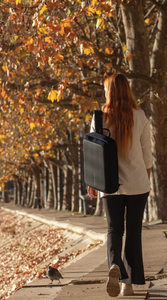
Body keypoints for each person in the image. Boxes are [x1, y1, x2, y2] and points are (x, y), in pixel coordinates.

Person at [87, 74, 153, 297]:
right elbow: (147, 156)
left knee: (114, 230)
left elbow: (93, 155)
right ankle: (128, 286)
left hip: (109, 184)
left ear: (110, 92)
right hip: (137, 183)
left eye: (106, 89)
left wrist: (92, 182)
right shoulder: (140, 116)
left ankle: (115, 265)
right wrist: (146, 179)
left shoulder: (99, 118)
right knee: (134, 231)